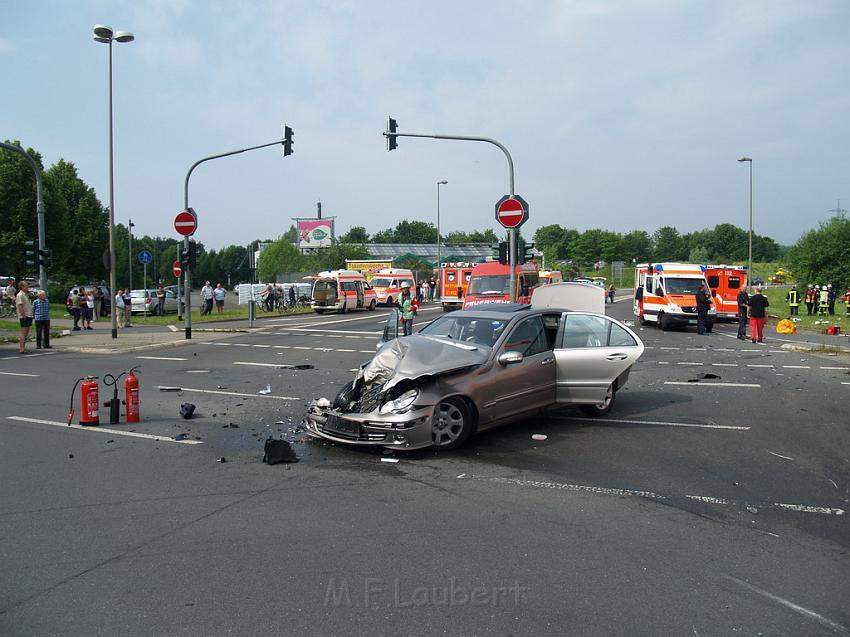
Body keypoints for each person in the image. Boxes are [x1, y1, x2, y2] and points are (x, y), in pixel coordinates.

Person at [15, 281, 32, 354]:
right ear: (22, 287)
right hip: (24, 316)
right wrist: (24, 315)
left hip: (28, 315)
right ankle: (21, 348)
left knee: (26, 333)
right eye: (26, 285)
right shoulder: (20, 295)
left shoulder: (25, 294)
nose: (27, 286)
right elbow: (20, 306)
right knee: (23, 333)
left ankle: (23, 348)